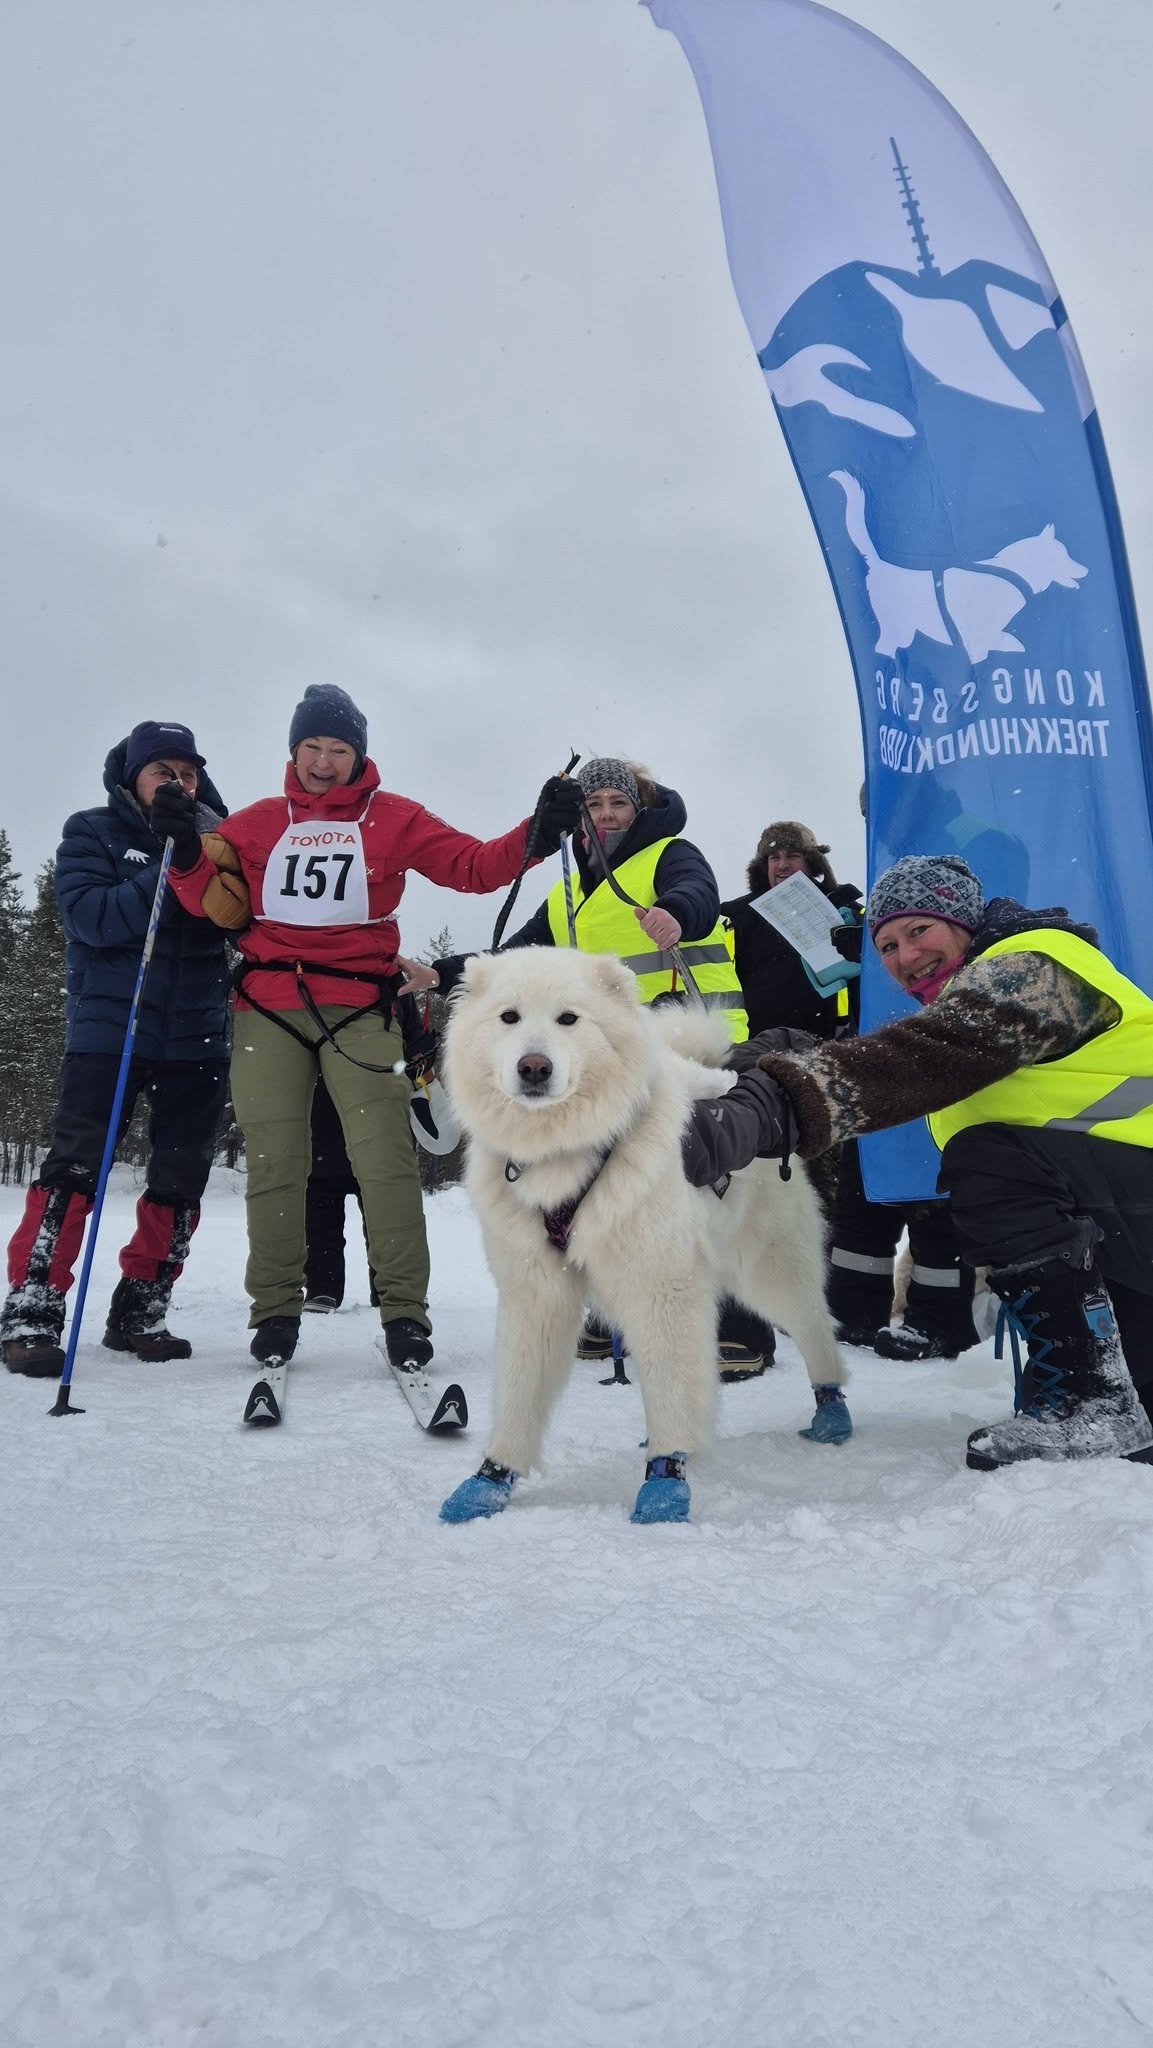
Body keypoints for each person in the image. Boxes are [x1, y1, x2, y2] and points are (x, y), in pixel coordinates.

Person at [154, 684, 579, 1377]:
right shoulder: (255, 823)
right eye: (313, 747)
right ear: (294, 750)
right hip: (267, 1008)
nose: (324, 762)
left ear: (360, 755)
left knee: (383, 1164)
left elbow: (473, 868)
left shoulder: (395, 818)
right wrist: (182, 853)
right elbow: (211, 906)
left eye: (339, 749)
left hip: (360, 1009)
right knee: (276, 1165)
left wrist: (534, 835)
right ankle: (273, 1313)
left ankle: (405, 1313)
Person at [681, 853, 1153, 1470]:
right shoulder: (977, 1000)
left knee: (986, 1158)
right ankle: (1100, 1402)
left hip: (1133, 1203)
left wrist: (767, 1108)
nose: (904, 958)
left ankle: (1095, 1401)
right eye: (887, 946)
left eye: (918, 931)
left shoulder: (1037, 965)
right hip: (1123, 1221)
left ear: (963, 920)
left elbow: (919, 1059)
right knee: (1124, 1436)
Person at [413, 756, 760, 1376]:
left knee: (711, 1182)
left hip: (696, 1038)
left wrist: (676, 914)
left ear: (638, 808)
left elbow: (700, 897)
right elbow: (514, 953)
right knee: (606, 1185)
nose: (604, 816)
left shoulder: (670, 855)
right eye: (594, 806)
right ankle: (609, 1320)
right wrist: (442, 972)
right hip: (621, 1061)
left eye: (616, 805)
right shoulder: (571, 889)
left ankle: (739, 1328)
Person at [1, 721, 244, 1376]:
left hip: (197, 1033)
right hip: (111, 1030)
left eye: (188, 772)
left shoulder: (224, 839)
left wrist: (197, 852)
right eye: (163, 770)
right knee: (75, 1168)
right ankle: (33, 1306)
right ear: (132, 776)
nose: (178, 782)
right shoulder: (90, 831)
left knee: (180, 1176)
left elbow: (243, 918)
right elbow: (90, 918)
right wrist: (169, 865)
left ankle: (141, 1305)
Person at [723, 819, 977, 1361]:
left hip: (856, 1052)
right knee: (846, 1193)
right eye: (775, 856)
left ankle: (939, 1322)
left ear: (815, 863)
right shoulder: (738, 917)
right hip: (774, 1057)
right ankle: (847, 1311)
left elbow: (890, 981)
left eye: (796, 855)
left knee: (920, 1188)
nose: (785, 864)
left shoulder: (857, 915)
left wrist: (857, 950)